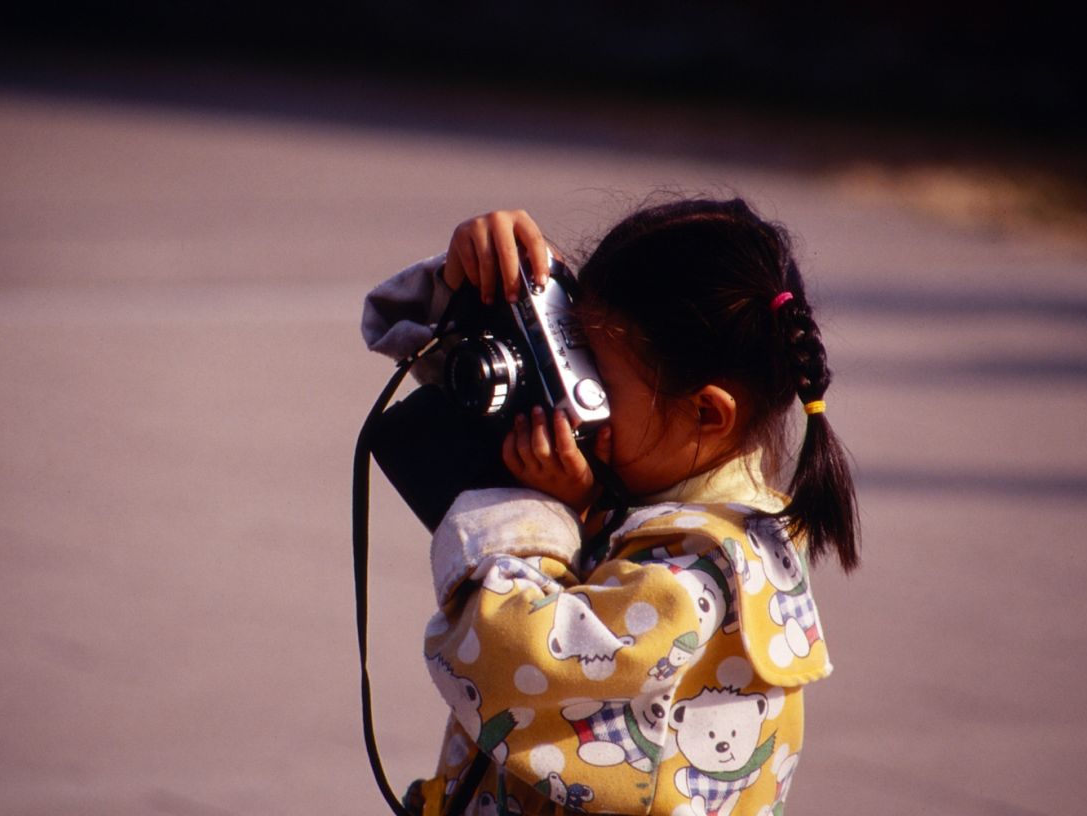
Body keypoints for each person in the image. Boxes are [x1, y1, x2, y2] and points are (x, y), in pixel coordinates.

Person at [361, 198, 859, 816]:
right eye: (569, 359)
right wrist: (485, 291)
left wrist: (533, 512)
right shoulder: (650, 487)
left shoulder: (701, 570)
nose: (570, 404)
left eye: (596, 383)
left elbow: (508, 661)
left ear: (706, 412)